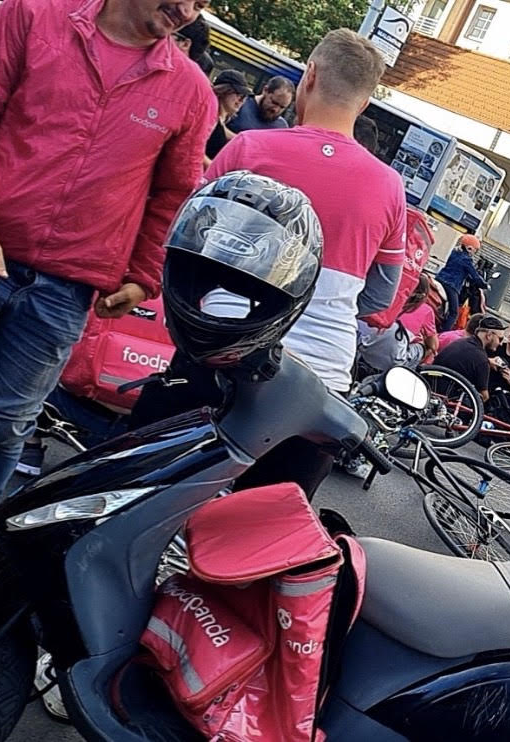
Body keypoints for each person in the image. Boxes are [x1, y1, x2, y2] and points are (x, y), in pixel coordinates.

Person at [0, 0, 215, 578]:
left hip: (66, 286)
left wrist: (142, 276)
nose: (187, 10)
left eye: (202, 3)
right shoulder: (33, 14)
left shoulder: (190, 91)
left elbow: (173, 194)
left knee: (5, 425)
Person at [131, 29, 405, 495]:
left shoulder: (250, 149)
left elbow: (184, 241)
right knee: (263, 522)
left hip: (222, 346)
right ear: (363, 104)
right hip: (319, 380)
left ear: (309, 76)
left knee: (147, 491)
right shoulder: (389, 187)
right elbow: (380, 296)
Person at [431, 315, 506, 399]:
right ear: (489, 335)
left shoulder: (461, 341)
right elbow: (484, 396)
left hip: (431, 384)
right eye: (500, 339)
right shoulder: (481, 359)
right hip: (447, 397)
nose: (501, 344)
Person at [435, 234, 487, 331]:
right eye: (475, 250)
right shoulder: (466, 259)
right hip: (451, 285)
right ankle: (442, 334)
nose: (474, 253)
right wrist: (484, 285)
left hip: (439, 278)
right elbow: (474, 275)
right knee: (454, 313)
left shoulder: (454, 253)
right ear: (469, 248)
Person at [204, 69, 252, 163]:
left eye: (244, 97)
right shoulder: (211, 116)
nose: (241, 101)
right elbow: (195, 148)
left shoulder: (219, 119)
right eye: (238, 95)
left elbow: (222, 131)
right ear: (224, 91)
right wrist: (212, 167)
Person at [228, 74, 295, 132]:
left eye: (282, 107)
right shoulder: (240, 104)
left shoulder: (281, 127)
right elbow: (222, 127)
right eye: (274, 102)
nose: (276, 109)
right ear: (265, 90)